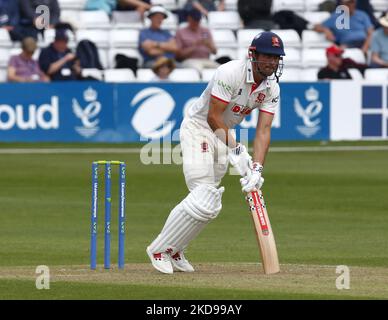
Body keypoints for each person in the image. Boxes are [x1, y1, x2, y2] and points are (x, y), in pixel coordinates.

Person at [146, 31, 285, 274]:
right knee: (202, 193)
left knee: (210, 203)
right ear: (253, 54)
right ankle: (159, 249)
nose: (272, 62)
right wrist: (239, 150)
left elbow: (263, 131)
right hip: (198, 128)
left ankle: (176, 249)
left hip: (224, 134)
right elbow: (212, 117)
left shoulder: (272, 88)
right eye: (268, 56)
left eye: (276, 58)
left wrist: (257, 168)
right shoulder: (229, 72)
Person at [175, 8, 218, 73]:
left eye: (198, 20)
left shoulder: (206, 31)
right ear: (189, 18)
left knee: (221, 70)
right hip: (189, 60)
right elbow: (179, 55)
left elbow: (215, 52)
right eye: (194, 20)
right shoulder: (181, 32)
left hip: (206, 60)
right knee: (198, 69)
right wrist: (194, 46)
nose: (196, 22)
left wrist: (208, 45)